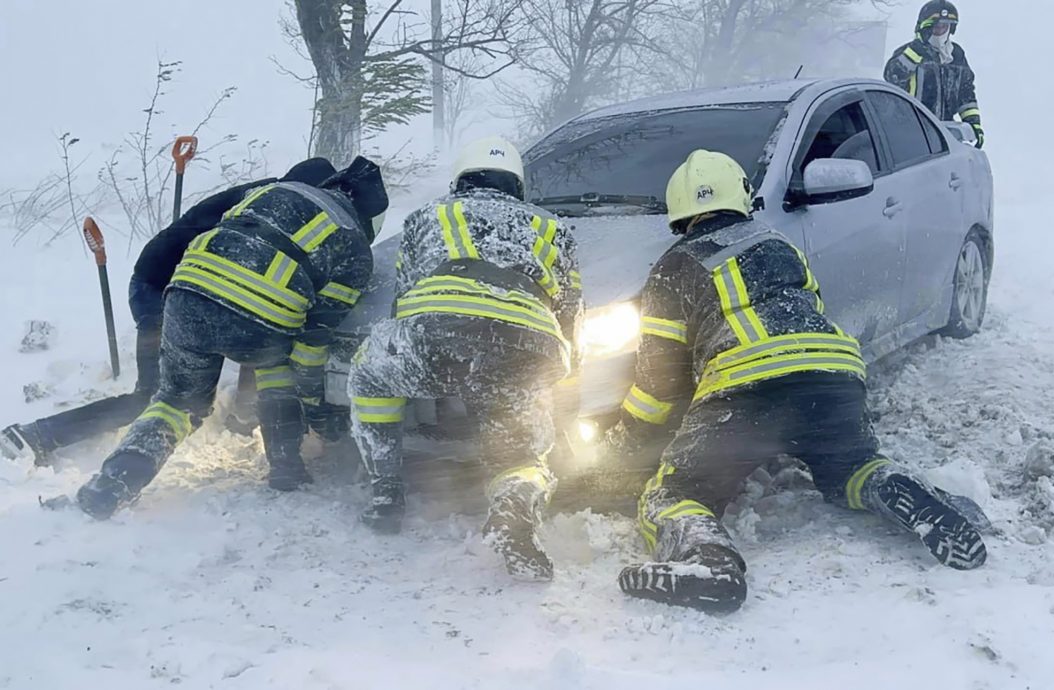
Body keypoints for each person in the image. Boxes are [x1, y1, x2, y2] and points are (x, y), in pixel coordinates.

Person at [600, 150, 988, 614]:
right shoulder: (779, 245)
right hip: (834, 376)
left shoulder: (674, 267)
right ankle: (897, 489)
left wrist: (623, 442)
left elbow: (657, 386)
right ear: (740, 196)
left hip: (745, 390)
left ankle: (709, 564)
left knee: (676, 494)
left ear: (679, 210)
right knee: (850, 466)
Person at [74, 155, 388, 519]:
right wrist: (317, 409)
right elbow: (312, 343)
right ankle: (286, 468)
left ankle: (114, 483)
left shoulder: (271, 191)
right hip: (258, 319)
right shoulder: (354, 246)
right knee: (277, 366)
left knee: (176, 402)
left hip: (185, 296)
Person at [348, 136, 583, 581]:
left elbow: (405, 299)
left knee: (370, 374)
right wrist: (561, 386)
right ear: (517, 184)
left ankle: (386, 491)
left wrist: (429, 360)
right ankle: (514, 507)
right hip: (526, 346)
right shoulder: (554, 227)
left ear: (460, 180)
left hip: (439, 333)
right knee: (523, 453)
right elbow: (571, 317)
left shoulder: (429, 216)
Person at [0, 159, 338, 466]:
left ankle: (241, 417)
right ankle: (36, 435)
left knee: (257, 328)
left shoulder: (270, 199)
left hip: (196, 290)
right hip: (162, 291)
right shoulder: (272, 208)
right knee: (154, 397)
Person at [885, 1, 984, 147]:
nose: (940, 31)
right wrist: (914, 53)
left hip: (944, 134)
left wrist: (973, 123)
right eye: (936, 27)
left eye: (944, 27)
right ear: (926, 28)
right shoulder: (909, 52)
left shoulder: (956, 55)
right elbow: (891, 77)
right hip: (909, 132)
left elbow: (966, 93)